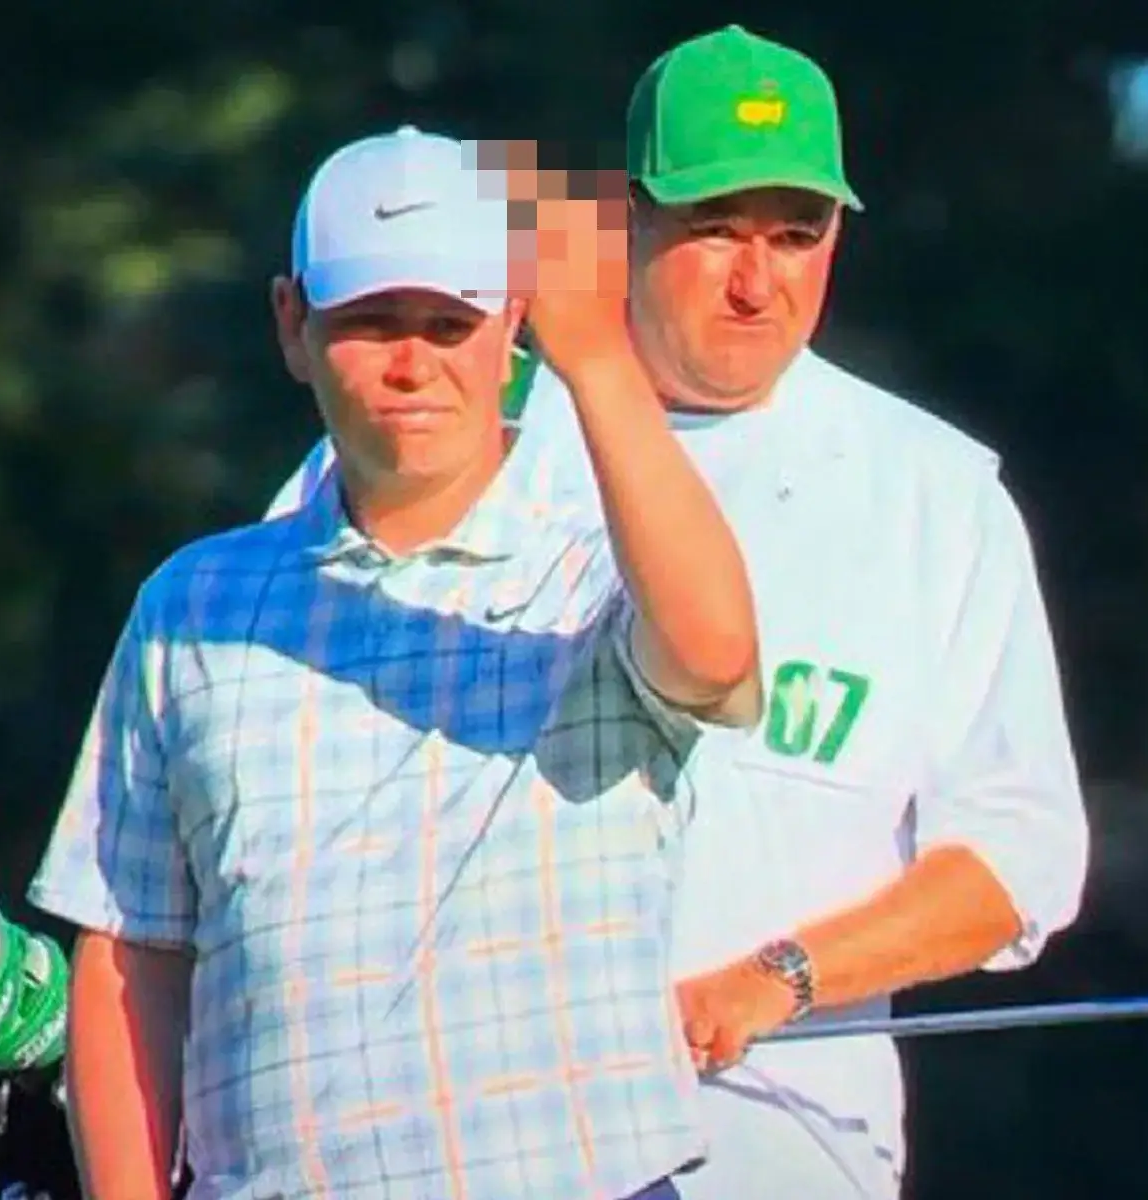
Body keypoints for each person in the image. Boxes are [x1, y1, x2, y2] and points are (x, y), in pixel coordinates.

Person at [269, 28, 1091, 1200]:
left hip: (781, 1151)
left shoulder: (938, 497)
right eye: (715, 228)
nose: (758, 281)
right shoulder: (452, 428)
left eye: (796, 234)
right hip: (446, 1148)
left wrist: (778, 978)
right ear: (622, 223)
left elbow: (1019, 865)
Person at [27, 125, 764, 1200]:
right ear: (293, 323)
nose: (413, 363)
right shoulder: (190, 604)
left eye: (450, 322)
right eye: (371, 323)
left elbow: (713, 653)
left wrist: (600, 358)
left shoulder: (605, 564)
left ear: (511, 325)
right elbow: (129, 951)